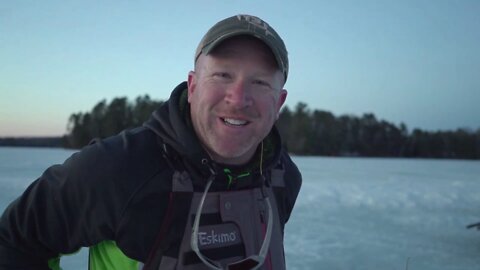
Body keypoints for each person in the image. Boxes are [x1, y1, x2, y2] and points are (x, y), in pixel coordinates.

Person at [0, 14, 302, 270]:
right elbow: (15, 240)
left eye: (260, 82)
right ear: (193, 86)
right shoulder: (120, 167)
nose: (238, 98)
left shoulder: (282, 177)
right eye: (222, 75)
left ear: (279, 103)